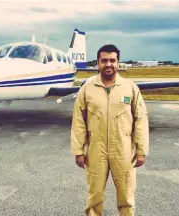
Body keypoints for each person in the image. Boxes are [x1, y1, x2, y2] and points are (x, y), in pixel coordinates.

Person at [71, 44, 149, 216]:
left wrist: (142, 150)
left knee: (126, 197)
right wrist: (78, 150)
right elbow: (78, 121)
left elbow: (141, 119)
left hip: (123, 150)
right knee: (94, 197)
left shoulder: (130, 88)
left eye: (112, 60)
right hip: (96, 150)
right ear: (98, 63)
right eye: (104, 60)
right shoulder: (87, 89)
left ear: (118, 62)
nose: (108, 64)